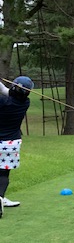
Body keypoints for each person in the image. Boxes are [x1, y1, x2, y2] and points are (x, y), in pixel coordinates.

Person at [0, 76, 33, 218]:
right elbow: (6, 90)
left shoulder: (3, 101)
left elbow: (4, 90)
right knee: (3, 173)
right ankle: (0, 197)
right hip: (11, 143)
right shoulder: (25, 102)